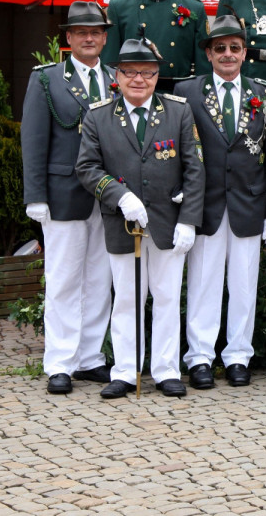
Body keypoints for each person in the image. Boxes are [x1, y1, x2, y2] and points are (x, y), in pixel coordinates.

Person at [75, 32, 205, 399]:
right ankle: (125, 371)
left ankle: (166, 370)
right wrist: (119, 196)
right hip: (123, 223)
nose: (138, 79)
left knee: (167, 297)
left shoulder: (178, 111)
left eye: (147, 72)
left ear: (156, 76)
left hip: (169, 223)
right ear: (117, 75)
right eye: (130, 71)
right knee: (127, 299)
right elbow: (87, 167)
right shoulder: (99, 116)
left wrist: (188, 220)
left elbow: (195, 169)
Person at [174, 13, 266, 389]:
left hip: (249, 204)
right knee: (203, 283)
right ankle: (200, 357)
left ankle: (238, 356)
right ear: (208, 53)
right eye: (220, 47)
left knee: (244, 286)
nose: (227, 54)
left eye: (235, 47)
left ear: (245, 52)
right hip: (204, 204)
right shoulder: (187, 91)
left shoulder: (264, 93)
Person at [22, 2, 116, 394]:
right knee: (62, 279)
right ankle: (60, 362)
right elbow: (33, 139)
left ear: (105, 37)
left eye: (95, 32)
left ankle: (90, 358)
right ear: (69, 37)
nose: (89, 38)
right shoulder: (47, 79)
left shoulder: (116, 78)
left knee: (100, 279)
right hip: (63, 193)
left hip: (108, 196)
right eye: (81, 32)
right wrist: (35, 195)